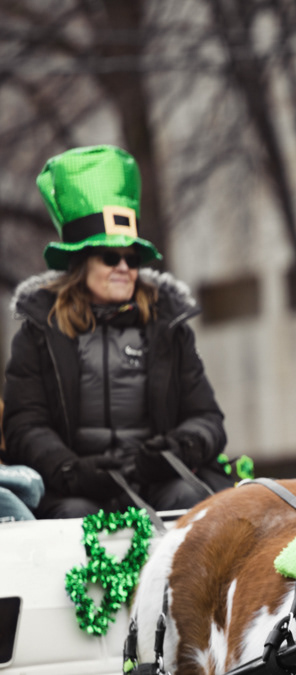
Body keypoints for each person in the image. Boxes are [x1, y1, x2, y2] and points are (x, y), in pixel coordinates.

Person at [2, 145, 231, 519]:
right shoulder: (37, 332)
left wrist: (176, 450)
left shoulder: (170, 328)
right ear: (81, 261)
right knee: (71, 516)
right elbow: (25, 425)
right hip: (75, 492)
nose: (124, 267)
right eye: (111, 257)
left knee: (188, 498)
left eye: (132, 258)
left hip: (158, 486)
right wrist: (71, 471)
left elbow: (207, 419)